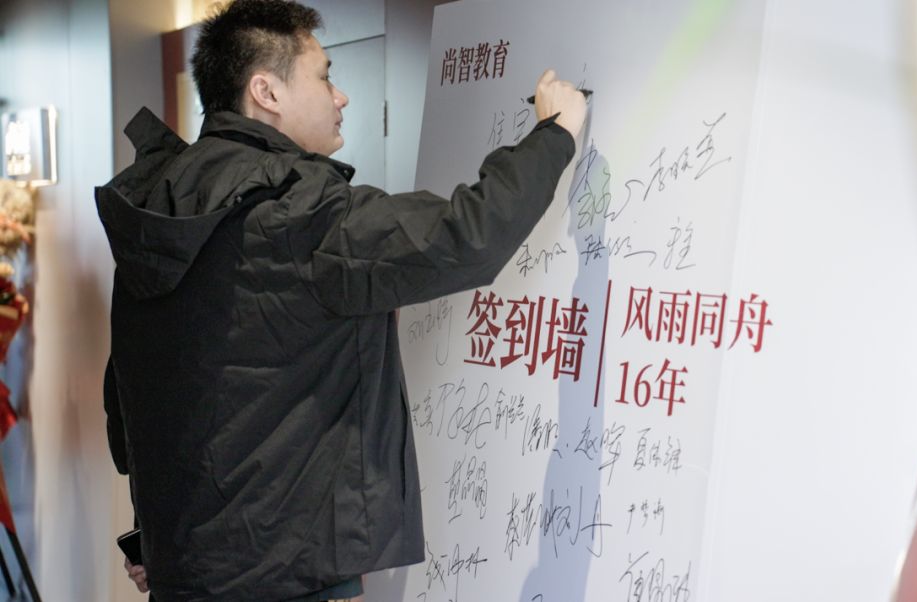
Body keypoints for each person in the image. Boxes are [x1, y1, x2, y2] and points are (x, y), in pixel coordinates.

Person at [96, 0, 586, 600]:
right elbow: (465, 235)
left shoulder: (159, 208)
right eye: (325, 77)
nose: (341, 96)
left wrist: (156, 533)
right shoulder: (296, 214)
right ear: (266, 92)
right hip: (285, 578)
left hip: (184, 573)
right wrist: (554, 134)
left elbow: (132, 395)